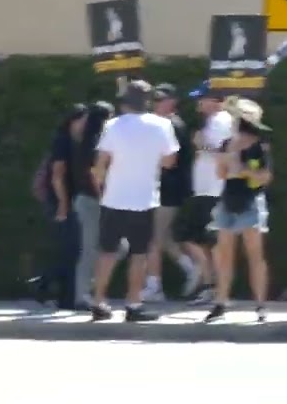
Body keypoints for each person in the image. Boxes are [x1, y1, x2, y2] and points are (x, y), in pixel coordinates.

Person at [89, 81, 178, 322]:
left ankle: (98, 301)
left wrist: (101, 188)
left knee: (107, 252)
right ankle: (133, 303)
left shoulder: (113, 125)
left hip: (114, 197)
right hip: (144, 197)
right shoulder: (162, 125)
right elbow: (170, 161)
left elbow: (100, 164)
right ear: (149, 100)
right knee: (139, 254)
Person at [206, 98, 273, 323]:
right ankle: (220, 302)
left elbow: (265, 176)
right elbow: (221, 175)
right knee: (224, 255)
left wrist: (243, 170)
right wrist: (222, 162)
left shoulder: (259, 145)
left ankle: (261, 305)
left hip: (251, 201)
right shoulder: (227, 143)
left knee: (255, 255)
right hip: (228, 200)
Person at [173, 86, 232, 305]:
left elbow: (224, 153)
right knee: (197, 238)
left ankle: (213, 287)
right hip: (206, 190)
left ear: (214, 100)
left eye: (201, 98)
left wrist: (202, 144)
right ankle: (210, 284)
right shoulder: (214, 121)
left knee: (196, 237)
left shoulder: (220, 121)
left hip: (214, 190)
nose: (198, 103)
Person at [30, 103, 88, 308]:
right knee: (72, 250)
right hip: (60, 202)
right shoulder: (63, 142)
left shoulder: (75, 142)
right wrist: (63, 206)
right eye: (84, 121)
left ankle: (48, 286)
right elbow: (57, 177)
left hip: (67, 202)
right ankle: (57, 292)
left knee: (70, 250)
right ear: (74, 121)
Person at [143, 83, 194, 302]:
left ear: (173, 102)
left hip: (168, 189)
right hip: (165, 188)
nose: (156, 104)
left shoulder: (172, 125)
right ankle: (192, 268)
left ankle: (154, 286)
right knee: (163, 237)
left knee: (152, 238)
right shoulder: (164, 124)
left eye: (161, 100)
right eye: (154, 100)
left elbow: (167, 161)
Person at [72, 101, 114, 309]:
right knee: (90, 248)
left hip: (88, 200)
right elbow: (94, 174)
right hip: (92, 200)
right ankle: (82, 294)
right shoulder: (96, 143)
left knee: (111, 247)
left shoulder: (87, 141)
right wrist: (103, 198)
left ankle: (92, 288)